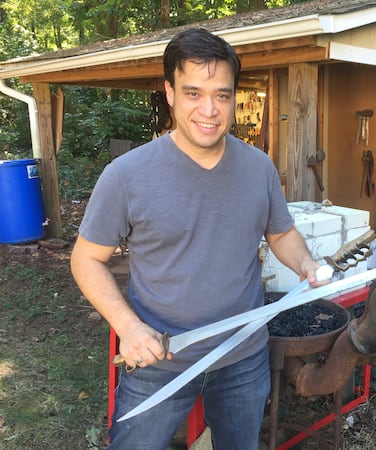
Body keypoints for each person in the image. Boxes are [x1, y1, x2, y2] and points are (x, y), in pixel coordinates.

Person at [71, 27, 323, 450]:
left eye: (222, 95)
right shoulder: (127, 176)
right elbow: (85, 260)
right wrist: (129, 328)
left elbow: (281, 233)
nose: (209, 109)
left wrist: (306, 264)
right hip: (159, 357)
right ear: (169, 93)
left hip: (243, 356)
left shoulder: (258, 168)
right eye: (193, 93)